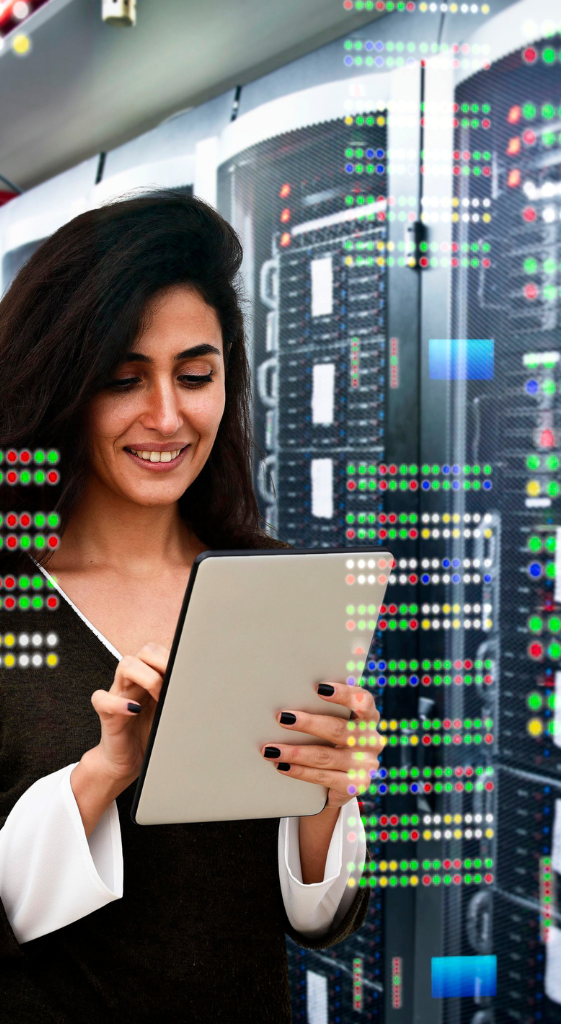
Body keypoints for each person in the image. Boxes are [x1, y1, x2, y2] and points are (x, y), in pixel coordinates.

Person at [0, 191, 384, 1022]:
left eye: (196, 376)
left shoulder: (276, 588)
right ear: (64, 385)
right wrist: (103, 774)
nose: (168, 417)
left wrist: (328, 796)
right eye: (124, 379)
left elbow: (318, 919)